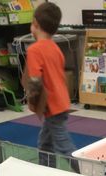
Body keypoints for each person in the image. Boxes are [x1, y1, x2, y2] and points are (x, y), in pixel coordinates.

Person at [24, 2, 76, 162]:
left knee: (64, 147)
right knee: (45, 144)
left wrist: (32, 102)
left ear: (35, 24)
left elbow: (35, 81)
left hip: (52, 106)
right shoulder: (55, 48)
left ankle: (91, 173)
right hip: (61, 103)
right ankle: (46, 172)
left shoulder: (34, 50)